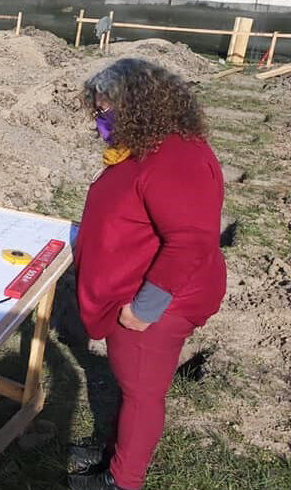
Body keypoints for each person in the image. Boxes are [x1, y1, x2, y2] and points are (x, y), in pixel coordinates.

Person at [68, 59, 227, 490]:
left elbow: (190, 242)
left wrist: (144, 309)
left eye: (104, 111)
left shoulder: (177, 158)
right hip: (134, 288)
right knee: (131, 382)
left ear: (138, 107)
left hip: (159, 302)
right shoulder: (151, 145)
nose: (99, 122)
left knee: (142, 393)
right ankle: (114, 451)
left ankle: (123, 479)